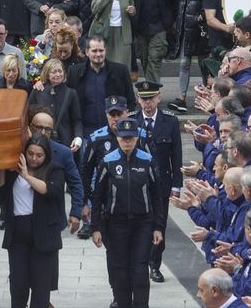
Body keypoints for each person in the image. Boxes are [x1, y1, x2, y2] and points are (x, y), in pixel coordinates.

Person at [91, 118, 165, 308]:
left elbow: (157, 196)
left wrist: (158, 227)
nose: (127, 142)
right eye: (123, 139)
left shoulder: (147, 161)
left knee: (140, 271)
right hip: (116, 224)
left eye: (131, 138)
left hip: (143, 223)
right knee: (120, 272)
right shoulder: (107, 162)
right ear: (117, 138)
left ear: (137, 138)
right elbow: (97, 197)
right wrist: (96, 228)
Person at [0, 134, 64, 308]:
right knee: (18, 285)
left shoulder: (54, 170)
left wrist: (26, 175)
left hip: (44, 234)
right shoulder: (14, 170)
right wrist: (3, 168)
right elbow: (1, 195)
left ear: (46, 155)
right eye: (30, 153)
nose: (34, 158)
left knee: (41, 287)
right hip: (18, 234)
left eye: (39, 155)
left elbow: (51, 191)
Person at [133, 80, 182, 283]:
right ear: (138, 100)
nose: (147, 103)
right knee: (139, 224)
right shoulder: (132, 122)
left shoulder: (170, 122)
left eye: (151, 98)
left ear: (158, 98)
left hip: (162, 183)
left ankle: (155, 264)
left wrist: (177, 185)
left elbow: (176, 156)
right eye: (144, 99)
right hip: (138, 185)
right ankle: (140, 262)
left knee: (159, 224)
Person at [131, 0, 179, 84]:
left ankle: (152, 91)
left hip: (160, 25)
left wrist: (175, 21)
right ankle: (150, 87)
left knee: (154, 58)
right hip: (140, 26)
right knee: (145, 59)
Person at [89, 0, 134, 67]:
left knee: (122, 65)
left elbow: (132, 7)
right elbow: (95, 8)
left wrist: (132, 10)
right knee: (104, 64)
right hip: (104, 31)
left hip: (123, 31)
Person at [28, 59, 82, 146]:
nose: (58, 74)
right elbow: (28, 115)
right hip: (40, 141)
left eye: (60, 71)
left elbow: (76, 120)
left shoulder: (71, 93)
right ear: (47, 74)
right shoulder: (38, 91)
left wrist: (78, 137)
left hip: (64, 142)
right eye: (54, 72)